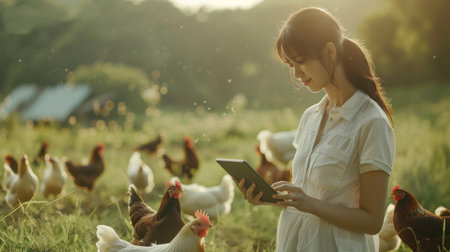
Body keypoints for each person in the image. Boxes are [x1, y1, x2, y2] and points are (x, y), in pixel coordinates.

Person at [234, 7, 395, 251]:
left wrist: (309, 204)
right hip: (295, 242)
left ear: (329, 51)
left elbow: (372, 221)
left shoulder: (372, 122)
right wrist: (269, 197)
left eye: (300, 62)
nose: (296, 74)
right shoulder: (310, 117)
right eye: (290, 65)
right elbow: (306, 196)